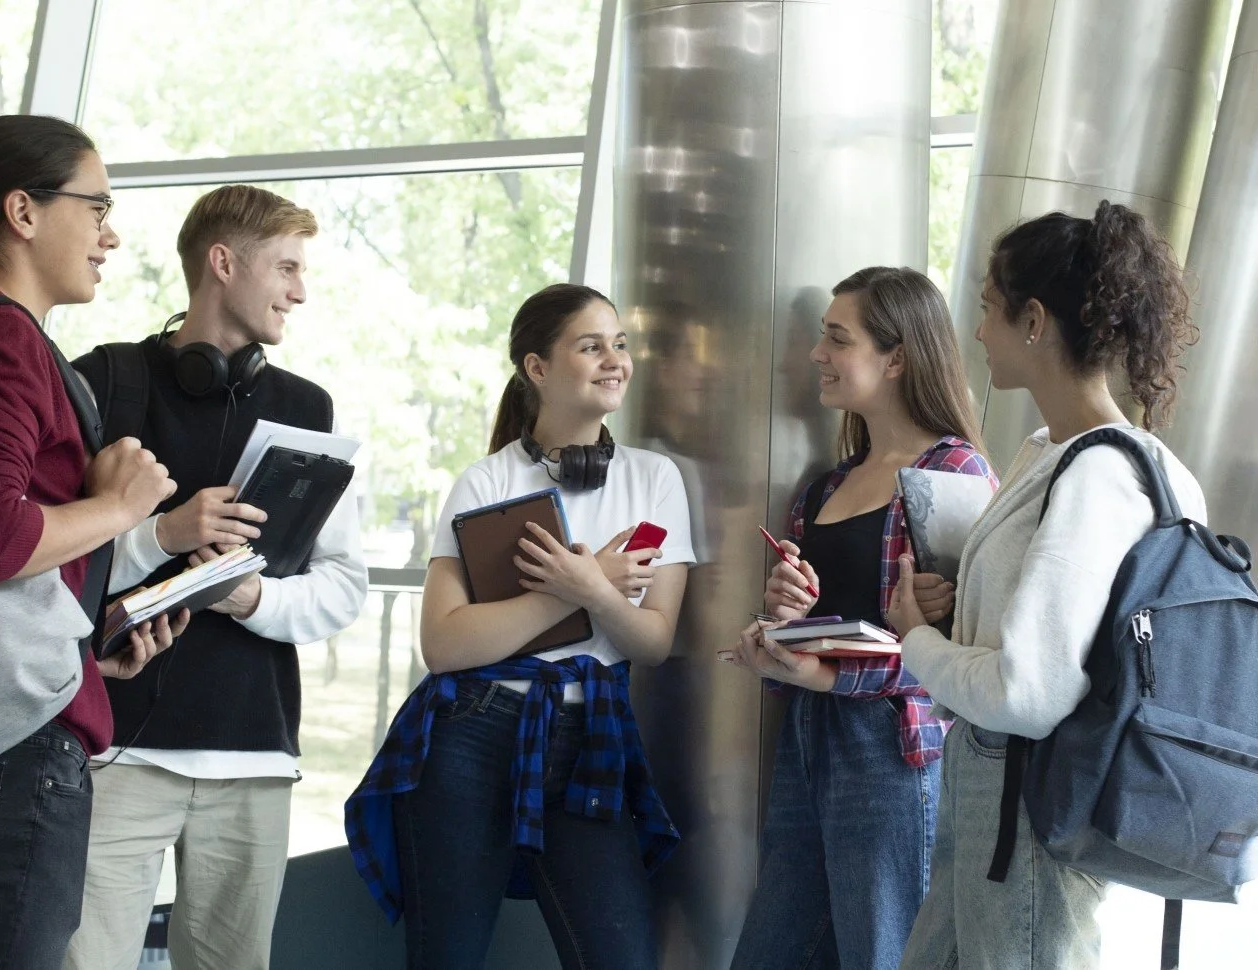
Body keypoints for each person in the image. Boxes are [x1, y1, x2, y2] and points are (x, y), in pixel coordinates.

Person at [0, 114, 183, 970]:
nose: (110, 235)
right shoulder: (2, 336)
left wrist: (85, 653)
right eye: (96, 207)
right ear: (23, 210)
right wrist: (121, 504)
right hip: (7, 764)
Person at [890, 202, 1206, 969]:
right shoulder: (1062, 454)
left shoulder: (1096, 474)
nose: (975, 332)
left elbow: (1027, 694)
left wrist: (915, 640)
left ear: (1032, 321)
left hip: (1029, 805)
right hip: (1007, 797)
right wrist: (959, 600)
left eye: (986, 310)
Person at [345, 283, 695, 970]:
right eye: (590, 345)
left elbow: (650, 641)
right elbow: (445, 646)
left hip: (590, 733)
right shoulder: (484, 483)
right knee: (447, 956)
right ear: (537, 369)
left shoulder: (654, 482)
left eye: (619, 344)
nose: (614, 359)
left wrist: (587, 587)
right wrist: (582, 589)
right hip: (471, 733)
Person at [63, 185, 369, 970]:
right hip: (111, 755)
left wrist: (251, 595)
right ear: (222, 262)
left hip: (252, 758)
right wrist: (161, 534)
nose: (300, 290)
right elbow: (41, 564)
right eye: (287, 267)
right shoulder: (103, 383)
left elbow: (342, 585)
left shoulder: (311, 407)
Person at [721, 267, 997, 970]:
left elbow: (958, 657)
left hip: (891, 753)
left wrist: (822, 674)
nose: (817, 354)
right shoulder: (828, 484)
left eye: (835, 339)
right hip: (808, 740)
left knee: (881, 954)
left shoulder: (953, 473)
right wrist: (785, 613)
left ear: (896, 357)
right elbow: (820, 618)